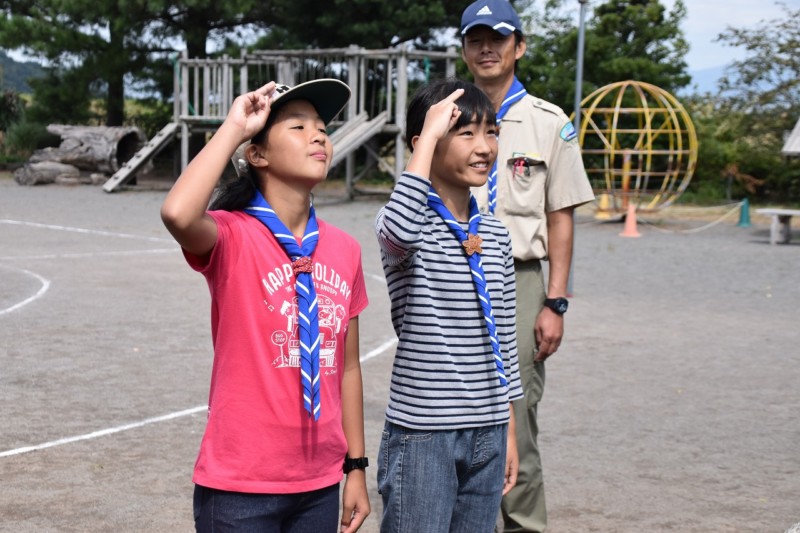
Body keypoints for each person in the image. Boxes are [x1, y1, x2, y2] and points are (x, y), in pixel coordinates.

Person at [160, 79, 371, 533]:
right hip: (240, 486)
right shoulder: (231, 235)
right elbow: (177, 213)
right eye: (298, 127)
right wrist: (235, 128)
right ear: (257, 155)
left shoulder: (346, 249)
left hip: (318, 484)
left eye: (322, 128)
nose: (318, 136)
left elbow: (348, 367)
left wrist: (356, 465)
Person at [460, 1, 596, 531]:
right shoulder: (446, 114)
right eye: (475, 39)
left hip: (518, 280)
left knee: (517, 416)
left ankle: (522, 525)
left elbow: (560, 216)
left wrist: (554, 302)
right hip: (454, 276)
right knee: (452, 410)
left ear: (519, 46)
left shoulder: (549, 122)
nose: (486, 49)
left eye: (497, 39)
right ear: (464, 49)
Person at [374, 78, 524, 533]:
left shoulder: (495, 233)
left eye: (491, 132)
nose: (484, 147)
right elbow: (398, 231)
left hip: (489, 427)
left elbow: (504, 333)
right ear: (426, 142)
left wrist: (509, 426)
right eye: (466, 133)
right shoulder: (408, 224)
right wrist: (428, 137)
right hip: (425, 432)